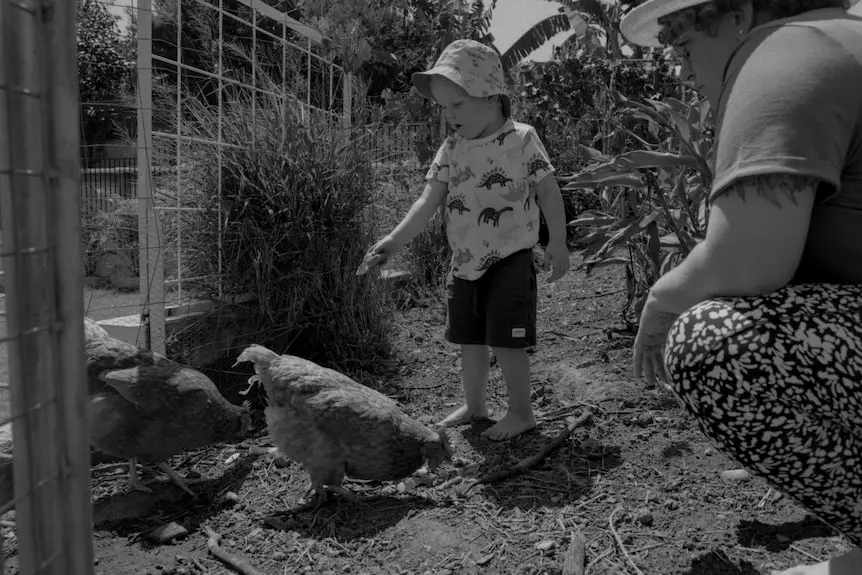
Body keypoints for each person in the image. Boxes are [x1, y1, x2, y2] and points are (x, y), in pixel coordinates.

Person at [619, 0, 862, 573]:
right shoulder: (840, 38)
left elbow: (750, 256)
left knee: (715, 345)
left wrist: (659, 304)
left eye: (682, 47)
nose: (679, 71)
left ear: (739, 15)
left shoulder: (783, 52)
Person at [358, 39, 570, 441]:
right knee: (469, 340)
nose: (448, 115)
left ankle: (521, 412)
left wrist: (556, 241)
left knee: (507, 341)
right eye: (443, 106)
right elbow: (428, 201)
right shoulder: (451, 148)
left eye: (457, 104)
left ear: (491, 97)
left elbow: (548, 191)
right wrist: (394, 240)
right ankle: (476, 407)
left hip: (511, 256)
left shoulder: (522, 139)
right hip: (465, 261)